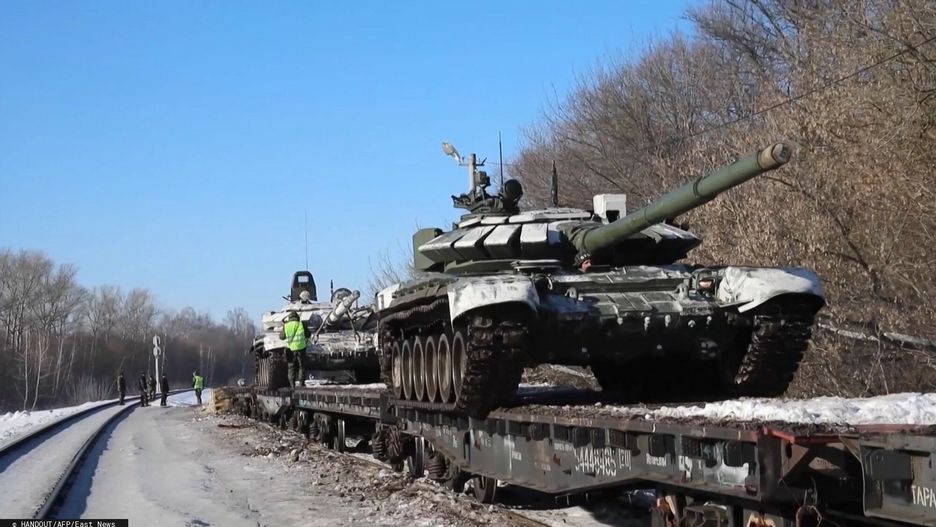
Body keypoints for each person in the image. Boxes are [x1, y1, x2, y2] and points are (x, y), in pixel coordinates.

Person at [279, 311, 311, 387]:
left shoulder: (286, 325)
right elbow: (308, 335)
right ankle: (301, 383)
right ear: (297, 317)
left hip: (290, 348)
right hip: (301, 348)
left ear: (289, 318)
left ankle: (292, 384)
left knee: (291, 366)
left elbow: (281, 337)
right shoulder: (301, 324)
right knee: (301, 366)